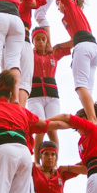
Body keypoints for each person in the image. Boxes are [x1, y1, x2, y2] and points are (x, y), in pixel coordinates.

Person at [49, 0, 97, 124]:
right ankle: (96, 121)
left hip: (83, 47)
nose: (58, 8)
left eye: (57, 3)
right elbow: (73, 40)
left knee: (80, 86)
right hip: (93, 48)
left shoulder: (71, 6)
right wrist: (58, 46)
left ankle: (92, 120)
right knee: (87, 91)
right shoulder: (71, 16)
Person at [27, 27, 72, 161]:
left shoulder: (53, 53)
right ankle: (36, 162)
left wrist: (57, 45)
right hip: (35, 97)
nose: (41, 42)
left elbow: (74, 42)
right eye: (37, 39)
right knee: (40, 127)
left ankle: (54, 163)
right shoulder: (29, 54)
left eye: (43, 39)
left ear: (47, 40)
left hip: (52, 97)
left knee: (52, 129)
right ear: (32, 41)